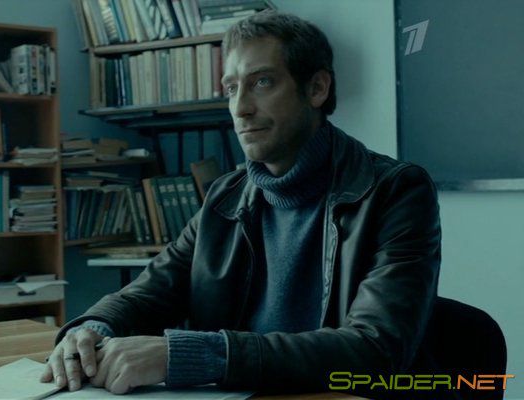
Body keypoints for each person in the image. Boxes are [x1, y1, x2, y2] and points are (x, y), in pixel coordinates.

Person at [41, 10, 441, 397]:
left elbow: (375, 350)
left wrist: (194, 355)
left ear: (317, 88)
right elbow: (151, 290)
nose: (240, 108)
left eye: (262, 82)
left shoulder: (396, 191)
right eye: (232, 88)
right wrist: (93, 328)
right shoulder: (226, 196)